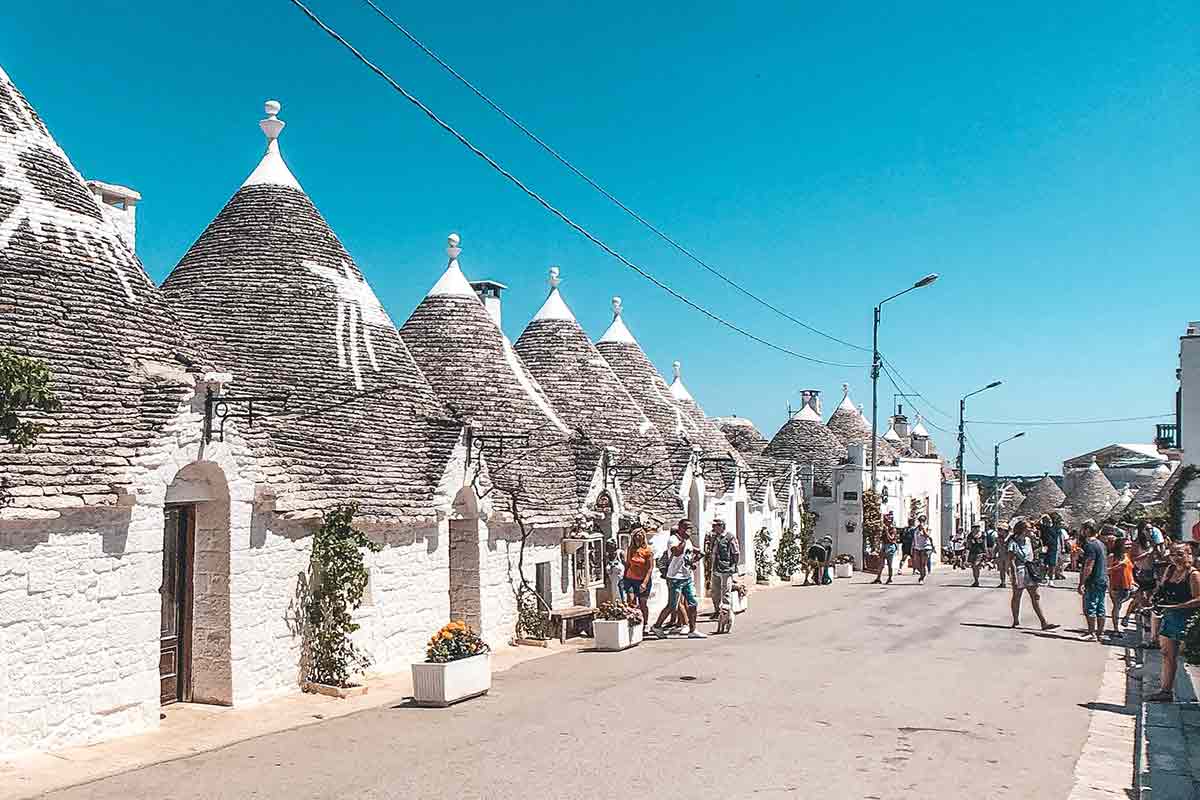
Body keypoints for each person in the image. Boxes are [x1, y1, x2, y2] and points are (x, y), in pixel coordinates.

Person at [1147, 545, 1200, 702]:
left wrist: (1176, 606)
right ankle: (1166, 691)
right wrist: (1155, 599)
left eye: (1180, 554)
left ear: (1189, 555)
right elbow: (1161, 589)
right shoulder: (1170, 570)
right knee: (1167, 655)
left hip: (1186, 618)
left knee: (1187, 657)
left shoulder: (1193, 575)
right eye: (1172, 554)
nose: (1176, 558)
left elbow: (1198, 599)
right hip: (1169, 616)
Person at [651, 519, 705, 639]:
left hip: (686, 577)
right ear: (680, 528)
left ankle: (693, 629)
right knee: (672, 605)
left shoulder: (687, 541)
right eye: (686, 528)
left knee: (693, 603)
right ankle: (657, 626)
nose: (689, 530)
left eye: (690, 528)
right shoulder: (673, 540)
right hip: (675, 577)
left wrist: (693, 560)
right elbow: (677, 552)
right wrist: (685, 540)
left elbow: (692, 553)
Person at [1008, 519, 1057, 630]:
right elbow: (1011, 560)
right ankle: (1016, 620)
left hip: (1030, 570)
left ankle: (1044, 622)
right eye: (1030, 528)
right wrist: (1014, 576)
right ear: (1024, 530)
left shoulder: (1029, 540)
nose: (1032, 530)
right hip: (1020, 570)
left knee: (1035, 596)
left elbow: (1034, 552)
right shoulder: (1013, 543)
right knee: (1017, 596)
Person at [1076, 521, 1109, 642]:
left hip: (1093, 579)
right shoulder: (1101, 544)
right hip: (1103, 578)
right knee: (1100, 607)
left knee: (1090, 606)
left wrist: (1082, 582)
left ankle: (1091, 632)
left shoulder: (1089, 544)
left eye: (1083, 529)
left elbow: (1089, 565)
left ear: (1088, 530)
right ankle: (1100, 633)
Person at [620, 527, 655, 633]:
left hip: (643, 580)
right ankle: (633, 621)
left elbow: (650, 568)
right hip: (630, 579)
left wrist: (644, 583)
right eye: (636, 536)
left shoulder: (647, 550)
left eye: (640, 535)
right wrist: (624, 577)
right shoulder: (631, 549)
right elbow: (628, 564)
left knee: (643, 603)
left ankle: (645, 623)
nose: (637, 538)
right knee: (631, 601)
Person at [708, 520, 740, 619]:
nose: (713, 528)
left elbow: (736, 552)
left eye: (715, 526)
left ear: (721, 526)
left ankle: (726, 613)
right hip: (715, 567)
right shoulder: (715, 537)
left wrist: (734, 565)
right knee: (715, 591)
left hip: (726, 568)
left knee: (725, 591)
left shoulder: (730, 537)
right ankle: (717, 611)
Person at [1107, 534, 1134, 634]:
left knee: (1140, 597)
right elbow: (1106, 571)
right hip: (1116, 586)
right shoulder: (1112, 557)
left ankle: (1126, 617)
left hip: (1128, 586)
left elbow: (1129, 571)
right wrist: (1117, 567)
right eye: (1126, 545)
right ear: (1120, 546)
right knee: (1117, 607)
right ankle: (1116, 629)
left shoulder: (1127, 556)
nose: (1129, 547)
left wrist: (1133, 582)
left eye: (1130, 545)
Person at [873, 516, 899, 584]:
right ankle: (878, 578)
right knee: (881, 563)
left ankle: (890, 578)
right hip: (884, 546)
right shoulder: (884, 529)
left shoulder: (893, 529)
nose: (886, 523)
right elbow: (881, 538)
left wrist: (887, 531)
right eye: (885, 521)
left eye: (887, 521)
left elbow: (891, 539)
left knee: (890, 564)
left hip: (890, 546)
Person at [1039, 514, 1060, 588]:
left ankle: (1051, 580)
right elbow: (1037, 523)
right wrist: (1042, 517)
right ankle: (1043, 578)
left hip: (1053, 548)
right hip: (1045, 547)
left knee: (1052, 564)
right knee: (1043, 564)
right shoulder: (1043, 527)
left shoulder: (1056, 528)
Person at [911, 516, 933, 583]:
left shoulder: (928, 527)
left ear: (925, 521)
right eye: (920, 520)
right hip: (917, 547)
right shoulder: (916, 529)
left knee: (923, 564)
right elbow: (914, 539)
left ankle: (922, 578)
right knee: (916, 564)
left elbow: (927, 536)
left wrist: (923, 529)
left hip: (925, 547)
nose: (921, 522)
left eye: (923, 520)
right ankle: (922, 573)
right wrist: (912, 547)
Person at [996, 522, 1012, 588]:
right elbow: (997, 546)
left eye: (1000, 529)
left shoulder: (1010, 537)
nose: (999, 531)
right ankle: (1003, 582)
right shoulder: (998, 538)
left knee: (1008, 569)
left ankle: (1013, 581)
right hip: (1001, 554)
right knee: (1001, 569)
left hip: (1009, 555)